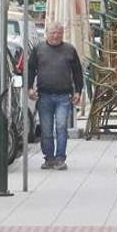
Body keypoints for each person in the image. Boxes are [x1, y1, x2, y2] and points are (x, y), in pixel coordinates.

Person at [28, 22, 84, 171]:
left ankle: (60, 158)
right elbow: (30, 69)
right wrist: (29, 87)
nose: (56, 35)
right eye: (53, 33)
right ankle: (49, 158)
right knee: (46, 129)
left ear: (62, 34)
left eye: (59, 33)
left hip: (63, 96)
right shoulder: (38, 49)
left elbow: (78, 72)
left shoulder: (69, 50)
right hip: (44, 95)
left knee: (61, 127)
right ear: (47, 33)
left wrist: (78, 91)